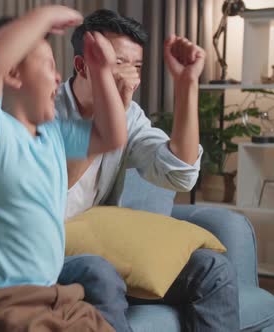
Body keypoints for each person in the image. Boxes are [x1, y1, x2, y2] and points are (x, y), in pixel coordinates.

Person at [0, 5, 129, 332]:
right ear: (13, 73)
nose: (59, 78)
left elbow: (112, 135)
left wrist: (101, 71)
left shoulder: (56, 135)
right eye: (48, 65)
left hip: (53, 295)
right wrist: (45, 15)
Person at [56, 9, 239, 332]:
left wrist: (186, 86)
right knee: (100, 272)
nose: (130, 77)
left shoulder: (129, 114)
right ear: (83, 65)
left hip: (100, 249)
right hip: (50, 253)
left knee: (211, 268)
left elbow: (179, 174)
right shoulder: (44, 108)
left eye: (136, 66)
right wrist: (112, 117)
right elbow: (53, 185)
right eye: (117, 64)